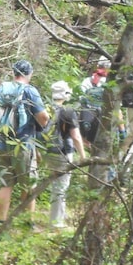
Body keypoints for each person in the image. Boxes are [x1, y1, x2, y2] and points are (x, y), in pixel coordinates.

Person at [0, 59, 50, 223]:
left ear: (14, 72)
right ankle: (27, 221)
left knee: (6, 183)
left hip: (3, 142)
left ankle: (1, 220)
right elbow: (43, 118)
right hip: (23, 144)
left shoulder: (1, 89)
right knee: (28, 183)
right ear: (29, 74)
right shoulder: (30, 91)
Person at [44, 81, 87, 228]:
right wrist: (82, 155)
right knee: (61, 187)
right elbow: (75, 136)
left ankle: (58, 216)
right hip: (63, 152)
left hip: (47, 151)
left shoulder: (46, 109)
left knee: (56, 186)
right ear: (66, 94)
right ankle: (56, 222)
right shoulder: (68, 111)